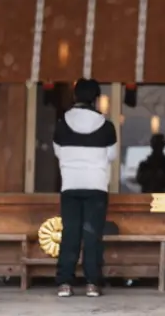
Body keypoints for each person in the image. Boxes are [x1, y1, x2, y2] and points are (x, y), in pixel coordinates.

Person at [53, 78, 117, 299]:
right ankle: (92, 283)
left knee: (70, 233)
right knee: (92, 235)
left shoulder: (61, 124)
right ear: (96, 98)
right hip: (96, 185)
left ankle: (64, 283)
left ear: (75, 96)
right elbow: (112, 156)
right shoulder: (106, 127)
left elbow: (58, 153)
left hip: (70, 184)